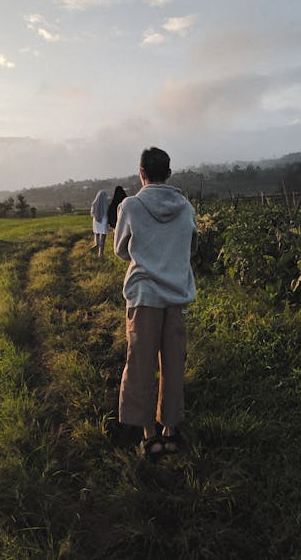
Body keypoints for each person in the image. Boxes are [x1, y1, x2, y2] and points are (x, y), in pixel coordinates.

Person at [114, 147, 197, 461]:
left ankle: (149, 434)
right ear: (169, 174)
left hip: (145, 297)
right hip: (176, 297)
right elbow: (190, 248)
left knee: (141, 364)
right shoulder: (186, 207)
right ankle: (171, 430)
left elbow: (121, 250)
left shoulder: (131, 206)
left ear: (141, 172)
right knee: (173, 365)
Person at [90, 189, 109, 258]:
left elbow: (92, 213)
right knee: (103, 238)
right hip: (103, 220)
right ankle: (100, 253)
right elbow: (107, 211)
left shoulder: (94, 203)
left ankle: (96, 244)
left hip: (96, 221)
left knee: (96, 234)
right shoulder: (106, 202)